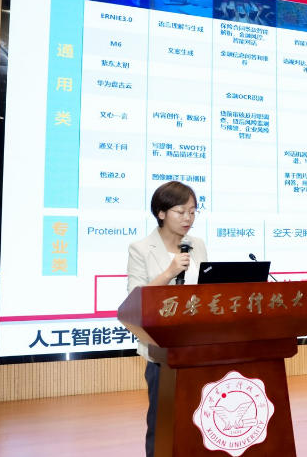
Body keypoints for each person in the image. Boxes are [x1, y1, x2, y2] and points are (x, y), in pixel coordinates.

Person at [127, 181, 208, 457]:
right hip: (161, 348)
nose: (188, 218)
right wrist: (169, 273)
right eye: (181, 212)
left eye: (193, 212)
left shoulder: (197, 245)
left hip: (197, 346)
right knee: (162, 422)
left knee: (198, 418)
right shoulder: (140, 248)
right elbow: (134, 299)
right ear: (161, 213)